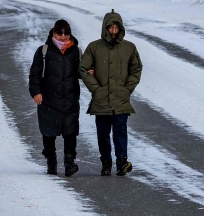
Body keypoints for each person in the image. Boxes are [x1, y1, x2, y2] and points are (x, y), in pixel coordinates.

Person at [80, 10, 142, 176]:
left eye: (116, 28)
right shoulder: (94, 47)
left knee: (120, 130)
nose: (113, 31)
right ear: (105, 28)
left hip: (121, 99)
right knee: (103, 133)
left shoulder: (129, 48)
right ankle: (106, 162)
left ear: (121, 28)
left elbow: (136, 68)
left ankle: (122, 160)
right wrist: (96, 89)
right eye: (110, 28)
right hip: (101, 100)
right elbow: (83, 69)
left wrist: (128, 88)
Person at [28, 19, 82, 177]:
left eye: (66, 33)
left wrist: (89, 72)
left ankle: (69, 163)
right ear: (53, 33)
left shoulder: (76, 51)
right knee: (48, 132)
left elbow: (80, 72)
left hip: (70, 98)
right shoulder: (43, 51)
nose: (63, 36)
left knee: (70, 132)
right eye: (60, 33)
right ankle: (51, 162)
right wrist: (35, 92)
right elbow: (34, 74)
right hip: (48, 99)